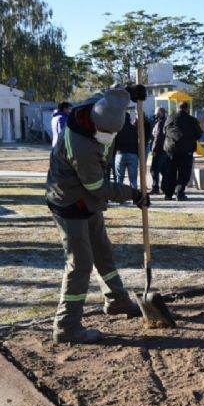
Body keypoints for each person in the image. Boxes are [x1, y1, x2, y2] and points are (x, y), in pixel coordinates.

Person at [45, 85, 150, 344]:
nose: (108, 136)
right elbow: (98, 187)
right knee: (80, 264)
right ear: (95, 123)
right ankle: (66, 326)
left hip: (87, 201)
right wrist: (133, 194)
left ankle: (117, 301)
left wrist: (127, 93)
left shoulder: (96, 105)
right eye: (104, 132)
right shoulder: (81, 145)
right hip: (70, 202)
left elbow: (109, 95)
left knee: (103, 252)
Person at [162, 102, 203, 201]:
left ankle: (168, 194)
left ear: (178, 108)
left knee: (170, 172)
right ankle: (179, 193)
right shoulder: (191, 120)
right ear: (187, 109)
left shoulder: (170, 118)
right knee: (184, 173)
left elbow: (164, 131)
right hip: (186, 150)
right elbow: (198, 134)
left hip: (170, 149)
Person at [113, 112, 140, 189]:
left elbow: (114, 143)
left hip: (120, 154)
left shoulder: (117, 130)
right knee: (133, 179)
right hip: (132, 154)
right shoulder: (134, 129)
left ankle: (120, 199)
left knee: (119, 178)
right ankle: (135, 198)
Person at [149, 107, 168, 195]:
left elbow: (158, 137)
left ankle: (155, 187)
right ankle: (165, 187)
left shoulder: (160, 123)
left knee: (154, 170)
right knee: (164, 170)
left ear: (160, 113)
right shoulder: (166, 122)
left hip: (159, 149)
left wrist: (154, 149)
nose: (155, 115)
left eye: (156, 113)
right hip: (165, 149)